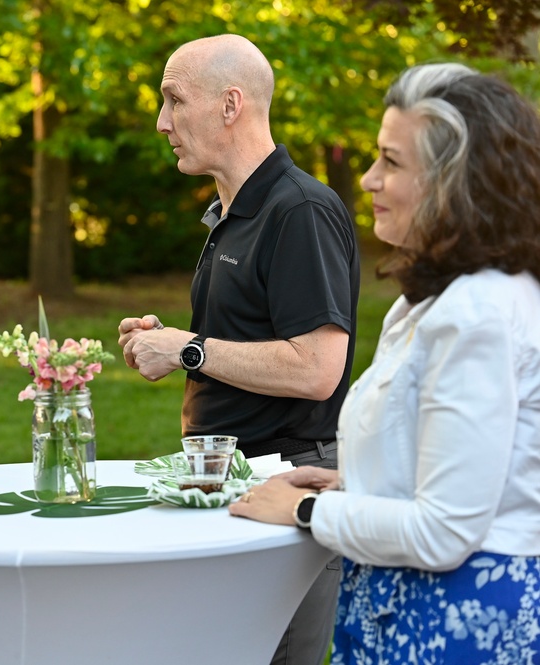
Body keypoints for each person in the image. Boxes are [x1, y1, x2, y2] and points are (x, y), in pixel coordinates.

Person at [229, 63, 540, 663]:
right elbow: (466, 469)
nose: (368, 180)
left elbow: (447, 531)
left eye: (392, 162)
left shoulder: (476, 312)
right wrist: (357, 484)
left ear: (459, 183)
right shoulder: (438, 299)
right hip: (409, 607)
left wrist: (307, 508)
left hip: (451, 623)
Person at [118, 35, 360, 665]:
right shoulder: (230, 211)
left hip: (286, 488)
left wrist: (190, 349)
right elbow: (244, 340)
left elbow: (316, 369)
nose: (161, 122)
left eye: (174, 100)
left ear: (231, 105)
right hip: (227, 485)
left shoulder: (298, 210)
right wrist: (165, 345)